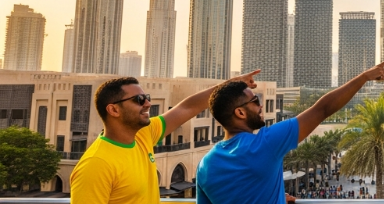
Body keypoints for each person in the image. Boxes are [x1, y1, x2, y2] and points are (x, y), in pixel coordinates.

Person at [195, 58, 384, 204]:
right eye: (255, 101)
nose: (261, 106)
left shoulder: (205, 165)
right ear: (239, 112)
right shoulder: (265, 144)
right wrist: (365, 77)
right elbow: (322, 109)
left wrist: (276, 197)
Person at [70, 70, 260, 204]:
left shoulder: (143, 135)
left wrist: (230, 85)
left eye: (147, 97)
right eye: (139, 100)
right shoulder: (96, 164)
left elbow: (187, 108)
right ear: (113, 109)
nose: (148, 103)